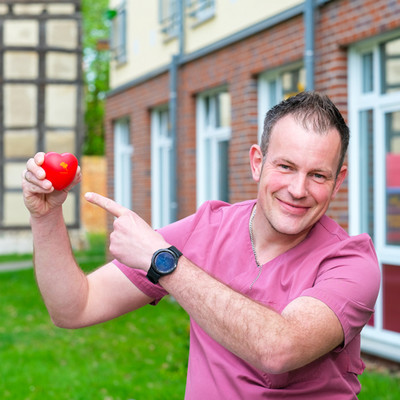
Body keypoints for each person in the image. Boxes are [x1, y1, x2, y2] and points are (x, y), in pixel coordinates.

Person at [22, 91, 380, 399]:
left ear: (338, 182)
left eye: (318, 175)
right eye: (285, 166)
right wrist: (46, 217)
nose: (299, 189)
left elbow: (278, 349)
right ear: (258, 163)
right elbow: (74, 307)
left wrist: (164, 262)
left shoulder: (351, 262)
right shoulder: (207, 228)